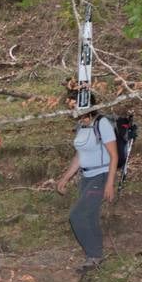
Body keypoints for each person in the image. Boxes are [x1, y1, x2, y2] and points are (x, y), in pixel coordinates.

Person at [55, 97, 118, 271]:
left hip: (101, 175)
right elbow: (79, 156)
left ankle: (94, 256)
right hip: (86, 177)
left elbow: (114, 155)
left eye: (74, 105)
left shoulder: (102, 123)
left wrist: (110, 183)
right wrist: (65, 178)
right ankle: (96, 256)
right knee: (90, 217)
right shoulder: (81, 125)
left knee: (77, 216)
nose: (72, 108)